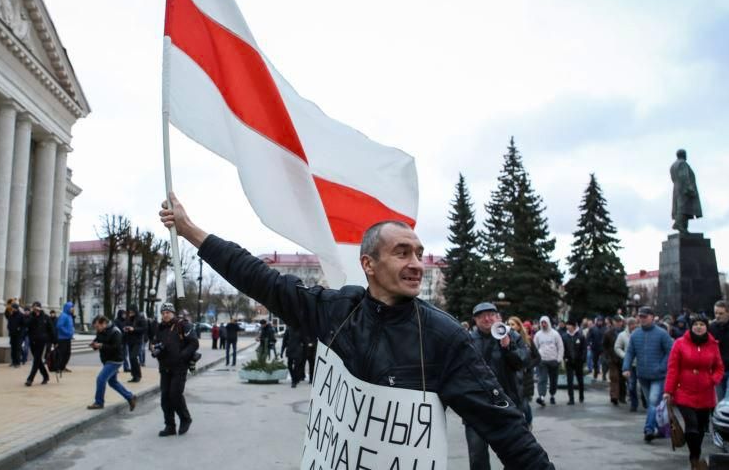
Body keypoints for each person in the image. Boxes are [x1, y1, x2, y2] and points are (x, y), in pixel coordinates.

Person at [159, 194, 553, 467]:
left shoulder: (442, 336)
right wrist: (191, 231)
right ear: (368, 264)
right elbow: (260, 278)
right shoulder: (336, 311)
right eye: (402, 252)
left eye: (418, 253)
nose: (416, 264)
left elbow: (506, 428)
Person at [465, 303, 530, 470]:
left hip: (508, 404)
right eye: (482, 316)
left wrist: (508, 347)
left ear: (497, 317)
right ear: (475, 320)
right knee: (477, 456)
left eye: (490, 314)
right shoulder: (468, 339)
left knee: (515, 453)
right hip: (477, 407)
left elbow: (522, 362)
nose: (487, 319)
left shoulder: (512, 335)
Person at [663, 314, 723, 470]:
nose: (698, 327)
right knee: (692, 425)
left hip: (705, 393)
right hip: (684, 391)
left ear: (706, 327)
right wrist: (668, 391)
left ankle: (696, 454)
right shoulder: (679, 343)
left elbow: (719, 367)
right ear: (691, 327)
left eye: (702, 324)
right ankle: (694, 458)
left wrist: (713, 379)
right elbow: (673, 368)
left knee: (701, 428)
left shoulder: (713, 344)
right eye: (695, 324)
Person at [623, 306, 674, 442]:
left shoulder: (662, 334)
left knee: (652, 401)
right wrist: (626, 367)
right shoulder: (635, 334)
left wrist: (661, 367)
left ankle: (649, 429)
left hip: (658, 376)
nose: (642, 319)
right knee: (653, 404)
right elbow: (630, 352)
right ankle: (659, 429)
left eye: (645, 316)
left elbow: (671, 351)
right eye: (640, 316)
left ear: (652, 317)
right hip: (643, 375)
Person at [151, 302, 199, 436]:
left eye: (168, 312)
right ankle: (170, 426)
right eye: (163, 313)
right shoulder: (160, 327)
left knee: (175, 395)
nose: (165, 315)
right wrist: (154, 348)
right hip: (164, 367)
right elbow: (154, 342)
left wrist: (182, 356)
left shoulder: (182, 325)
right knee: (165, 397)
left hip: (179, 367)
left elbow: (194, 343)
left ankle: (185, 419)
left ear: (173, 313)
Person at [87, 315, 137, 411]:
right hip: (107, 360)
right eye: (95, 327)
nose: (97, 329)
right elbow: (98, 339)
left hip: (115, 360)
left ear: (104, 324)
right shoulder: (101, 331)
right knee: (112, 382)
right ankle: (130, 397)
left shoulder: (115, 332)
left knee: (101, 379)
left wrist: (101, 346)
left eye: (97, 327)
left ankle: (99, 402)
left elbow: (116, 348)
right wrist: (94, 344)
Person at [508, 316, 538, 429]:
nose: (510, 327)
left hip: (526, 377)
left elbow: (537, 357)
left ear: (519, 326)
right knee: (515, 404)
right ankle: (519, 426)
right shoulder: (506, 339)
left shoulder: (528, 340)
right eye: (509, 324)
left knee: (524, 404)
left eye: (513, 324)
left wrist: (528, 366)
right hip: (513, 376)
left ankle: (528, 422)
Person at [670, 149, 703, 234]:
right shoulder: (682, 163)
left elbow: (673, 178)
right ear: (684, 155)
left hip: (677, 188)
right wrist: (689, 188)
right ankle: (678, 224)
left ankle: (683, 227)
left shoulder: (673, 165)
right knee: (683, 207)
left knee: (682, 208)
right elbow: (684, 176)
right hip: (684, 189)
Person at [534, 315, 563, 407]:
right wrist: (536, 359)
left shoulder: (555, 334)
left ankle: (552, 395)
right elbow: (535, 348)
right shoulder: (538, 335)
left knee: (553, 380)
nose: (543, 324)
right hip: (542, 361)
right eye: (542, 323)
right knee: (542, 379)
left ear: (548, 323)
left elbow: (560, 346)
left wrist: (559, 359)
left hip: (553, 360)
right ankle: (541, 397)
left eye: (545, 322)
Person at [25, 301, 55, 386]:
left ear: (40, 308)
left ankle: (30, 379)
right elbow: (26, 324)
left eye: (37, 307)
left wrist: (54, 341)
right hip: (32, 340)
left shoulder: (45, 317)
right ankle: (45, 376)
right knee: (38, 360)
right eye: (34, 308)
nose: (35, 309)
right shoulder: (31, 316)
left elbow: (51, 329)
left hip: (41, 341)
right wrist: (33, 316)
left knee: (36, 360)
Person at [616, 317, 639, 411]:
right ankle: (634, 403)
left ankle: (645, 401)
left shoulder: (640, 333)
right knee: (631, 385)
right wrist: (625, 356)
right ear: (628, 325)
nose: (633, 326)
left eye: (634, 324)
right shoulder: (622, 335)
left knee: (643, 385)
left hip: (641, 363)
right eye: (631, 324)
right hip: (630, 364)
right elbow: (617, 347)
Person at [603, 315, 625, 405]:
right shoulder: (608, 333)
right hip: (612, 358)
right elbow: (605, 346)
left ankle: (622, 396)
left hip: (623, 358)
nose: (618, 323)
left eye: (620, 321)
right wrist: (607, 357)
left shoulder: (625, 332)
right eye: (616, 321)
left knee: (623, 378)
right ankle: (614, 396)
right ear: (613, 322)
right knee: (614, 377)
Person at [562, 320, 586, 405]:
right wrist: (564, 357)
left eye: (569, 325)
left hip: (578, 361)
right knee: (570, 380)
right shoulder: (564, 336)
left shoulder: (580, 336)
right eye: (567, 325)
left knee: (580, 379)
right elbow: (563, 348)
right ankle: (571, 398)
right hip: (569, 361)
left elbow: (584, 349)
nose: (568, 327)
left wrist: (583, 359)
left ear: (574, 326)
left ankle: (581, 395)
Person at [124, 306, 147, 382]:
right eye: (130, 312)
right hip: (130, 341)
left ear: (135, 311)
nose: (130, 313)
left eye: (132, 312)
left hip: (137, 341)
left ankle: (138, 375)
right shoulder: (129, 319)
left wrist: (134, 329)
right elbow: (126, 325)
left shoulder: (140, 318)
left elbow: (144, 329)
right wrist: (126, 329)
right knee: (131, 358)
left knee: (133, 357)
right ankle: (134, 376)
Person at [281, 322, 305, 387]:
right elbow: (284, 341)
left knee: (297, 366)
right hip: (290, 350)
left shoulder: (301, 330)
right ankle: (294, 378)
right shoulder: (288, 329)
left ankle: (294, 381)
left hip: (298, 350)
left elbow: (304, 341)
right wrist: (282, 351)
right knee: (289, 365)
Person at [54, 302, 75, 374]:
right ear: (67, 308)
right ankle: (58, 368)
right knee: (61, 353)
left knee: (67, 353)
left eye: (73, 307)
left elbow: (70, 326)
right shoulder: (64, 315)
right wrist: (67, 332)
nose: (73, 309)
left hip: (68, 338)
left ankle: (62, 367)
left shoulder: (69, 316)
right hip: (62, 338)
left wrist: (72, 331)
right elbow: (59, 326)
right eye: (71, 307)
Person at [5, 301, 26, 368]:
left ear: (16, 308)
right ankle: (13, 361)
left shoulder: (21, 315)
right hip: (12, 334)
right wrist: (9, 329)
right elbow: (9, 323)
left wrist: (19, 329)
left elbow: (23, 325)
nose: (12, 309)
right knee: (13, 348)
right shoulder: (11, 315)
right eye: (12, 308)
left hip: (18, 335)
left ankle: (17, 362)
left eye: (13, 308)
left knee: (17, 349)